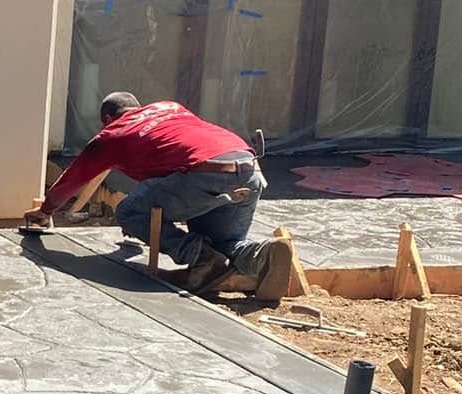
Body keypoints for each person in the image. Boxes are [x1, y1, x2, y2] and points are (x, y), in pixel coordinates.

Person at [22, 91, 295, 300]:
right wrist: (124, 249)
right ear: (137, 107)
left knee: (130, 212)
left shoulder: (111, 135)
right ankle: (265, 254)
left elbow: (73, 179)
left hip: (204, 174)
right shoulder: (170, 107)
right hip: (249, 169)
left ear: (106, 118)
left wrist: (45, 212)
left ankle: (201, 259)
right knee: (225, 242)